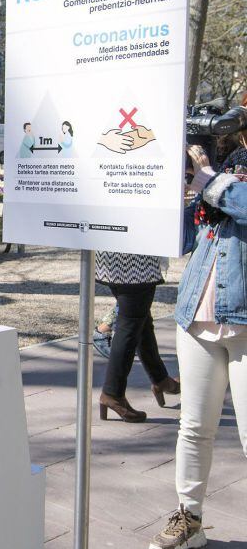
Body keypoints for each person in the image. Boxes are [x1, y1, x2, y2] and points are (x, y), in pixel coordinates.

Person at [149, 102, 247, 549]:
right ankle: (189, 519)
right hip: (198, 311)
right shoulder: (226, 160)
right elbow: (184, 239)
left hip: (244, 315)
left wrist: (214, 185)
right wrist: (184, 188)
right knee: (194, 425)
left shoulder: (222, 175)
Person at [94, 251, 179, 423]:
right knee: (130, 325)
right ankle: (112, 393)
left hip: (110, 258)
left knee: (141, 321)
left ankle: (160, 379)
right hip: (137, 262)